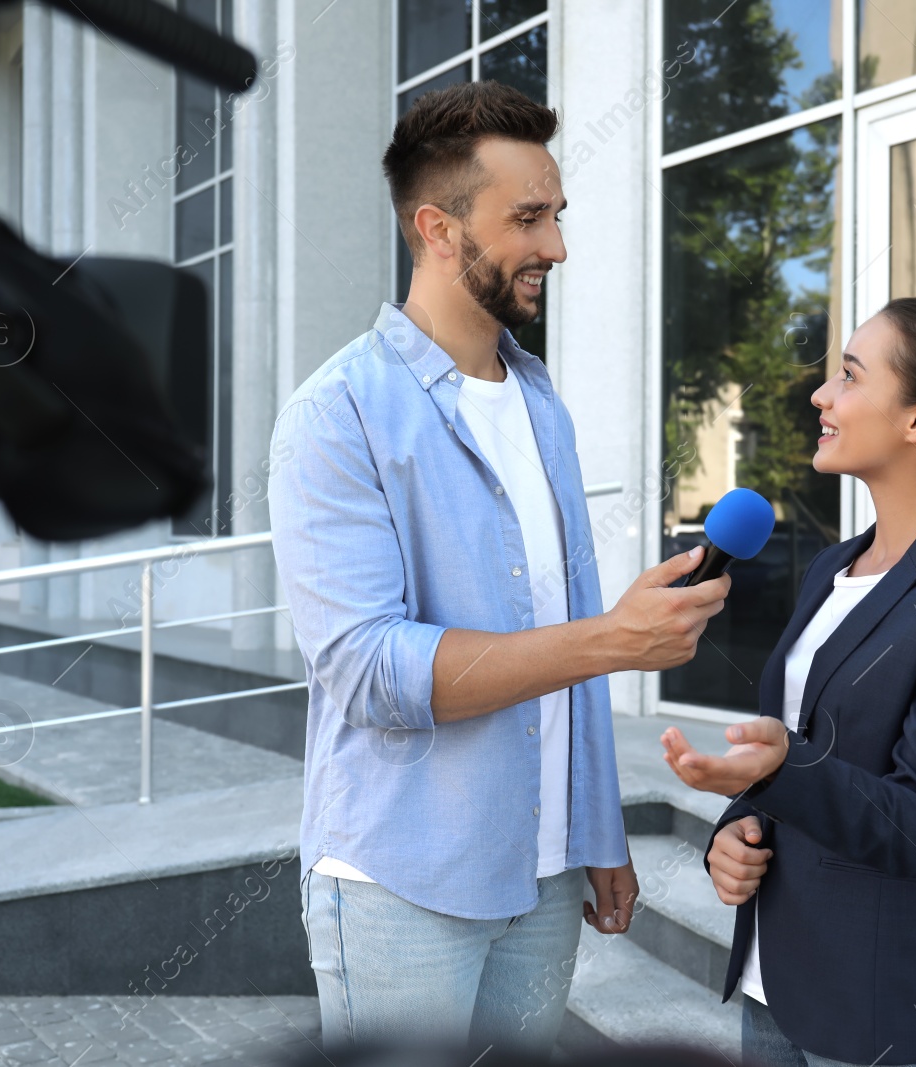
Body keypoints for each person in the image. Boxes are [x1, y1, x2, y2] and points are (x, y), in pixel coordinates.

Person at [267, 81, 732, 1053]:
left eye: (556, 214)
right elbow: (368, 669)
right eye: (528, 217)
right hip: (404, 883)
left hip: (548, 873)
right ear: (437, 228)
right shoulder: (337, 412)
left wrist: (595, 826)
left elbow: (562, 632)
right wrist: (612, 636)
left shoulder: (539, 399)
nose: (555, 246)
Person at [660, 298, 916, 1067]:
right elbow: (804, 754)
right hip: (772, 988)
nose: (821, 395)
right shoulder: (831, 567)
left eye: (848, 375)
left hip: (887, 1018)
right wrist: (736, 830)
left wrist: (782, 766)